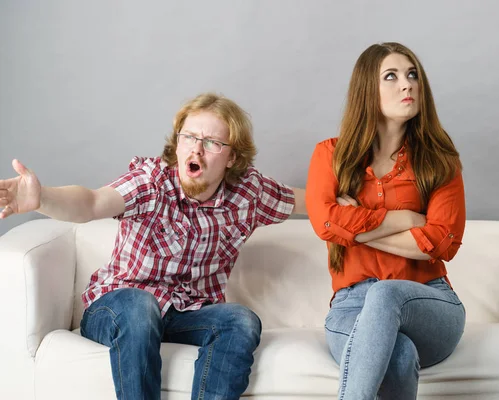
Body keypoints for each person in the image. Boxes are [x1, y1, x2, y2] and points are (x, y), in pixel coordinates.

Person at [0, 93, 306, 400]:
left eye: (212, 142)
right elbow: (91, 202)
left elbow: (306, 202)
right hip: (119, 308)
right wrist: (43, 199)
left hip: (188, 312)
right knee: (140, 305)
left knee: (241, 320)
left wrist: (349, 201)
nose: (196, 148)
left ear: (232, 158)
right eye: (189, 137)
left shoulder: (248, 194)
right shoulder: (152, 182)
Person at [306, 42, 466, 399]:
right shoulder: (330, 154)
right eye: (391, 77)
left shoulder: (440, 159)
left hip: (430, 302)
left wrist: (356, 232)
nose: (407, 85)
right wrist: (407, 218)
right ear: (367, 90)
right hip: (350, 307)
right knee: (399, 354)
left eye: (412, 75)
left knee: (385, 293)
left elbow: (440, 243)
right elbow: (326, 223)